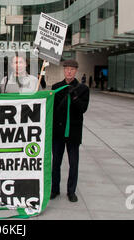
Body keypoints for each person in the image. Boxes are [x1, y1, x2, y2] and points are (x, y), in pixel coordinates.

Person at [51, 59, 89, 202]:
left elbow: (83, 109)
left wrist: (74, 96)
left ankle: (71, 191)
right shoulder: (56, 87)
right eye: (67, 69)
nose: (69, 71)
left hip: (73, 132)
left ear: (76, 71)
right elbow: (52, 109)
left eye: (72, 69)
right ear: (63, 70)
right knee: (56, 162)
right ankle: (55, 189)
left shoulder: (83, 89)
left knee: (74, 163)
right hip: (58, 132)